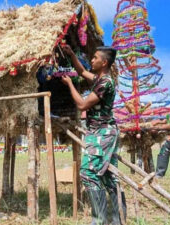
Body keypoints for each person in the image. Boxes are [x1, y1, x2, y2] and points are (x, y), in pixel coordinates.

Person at [61, 45, 126, 225]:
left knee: (88, 173)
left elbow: (82, 105)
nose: (91, 60)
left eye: (95, 58)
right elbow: (82, 72)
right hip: (102, 131)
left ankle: (99, 220)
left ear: (104, 62)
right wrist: (72, 54)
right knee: (106, 176)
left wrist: (70, 85)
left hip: (102, 133)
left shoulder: (105, 83)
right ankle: (117, 219)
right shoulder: (99, 79)